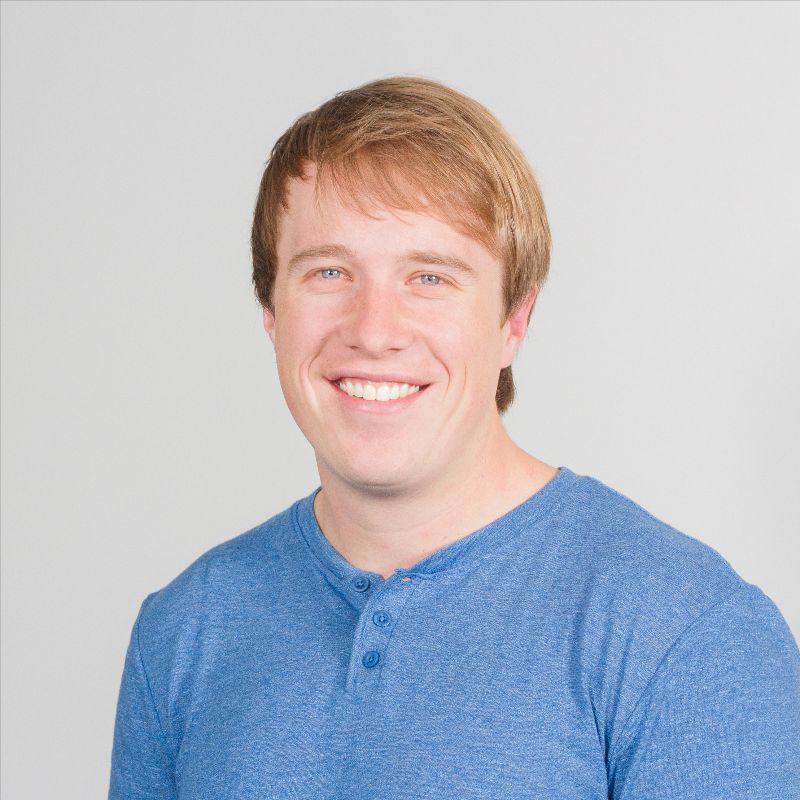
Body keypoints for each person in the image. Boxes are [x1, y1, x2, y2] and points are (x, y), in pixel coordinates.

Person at [108, 76, 800, 799]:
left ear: (514, 321)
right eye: (330, 272)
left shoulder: (688, 633)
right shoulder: (184, 630)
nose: (374, 330)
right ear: (271, 312)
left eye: (430, 278)